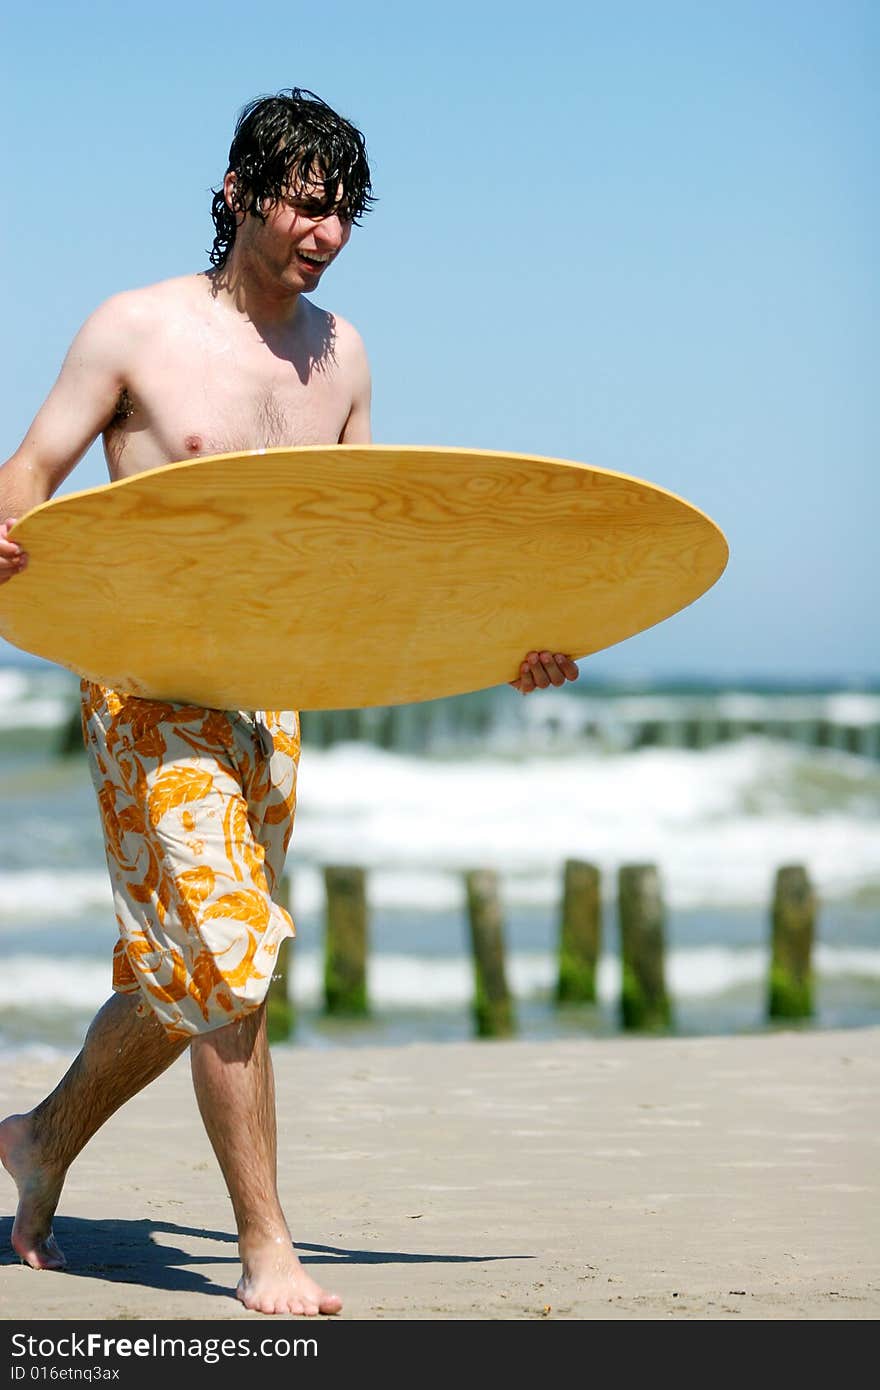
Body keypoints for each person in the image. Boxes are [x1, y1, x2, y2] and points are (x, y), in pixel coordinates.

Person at [0, 88, 580, 1317]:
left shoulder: (342, 354)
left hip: (274, 697)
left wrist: (509, 636)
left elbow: (376, 555)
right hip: (148, 686)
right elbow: (33, 476)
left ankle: (39, 1139)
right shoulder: (134, 329)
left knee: (203, 970)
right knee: (227, 957)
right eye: (303, 202)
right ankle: (269, 1248)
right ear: (238, 192)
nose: (323, 230)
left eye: (342, 212)